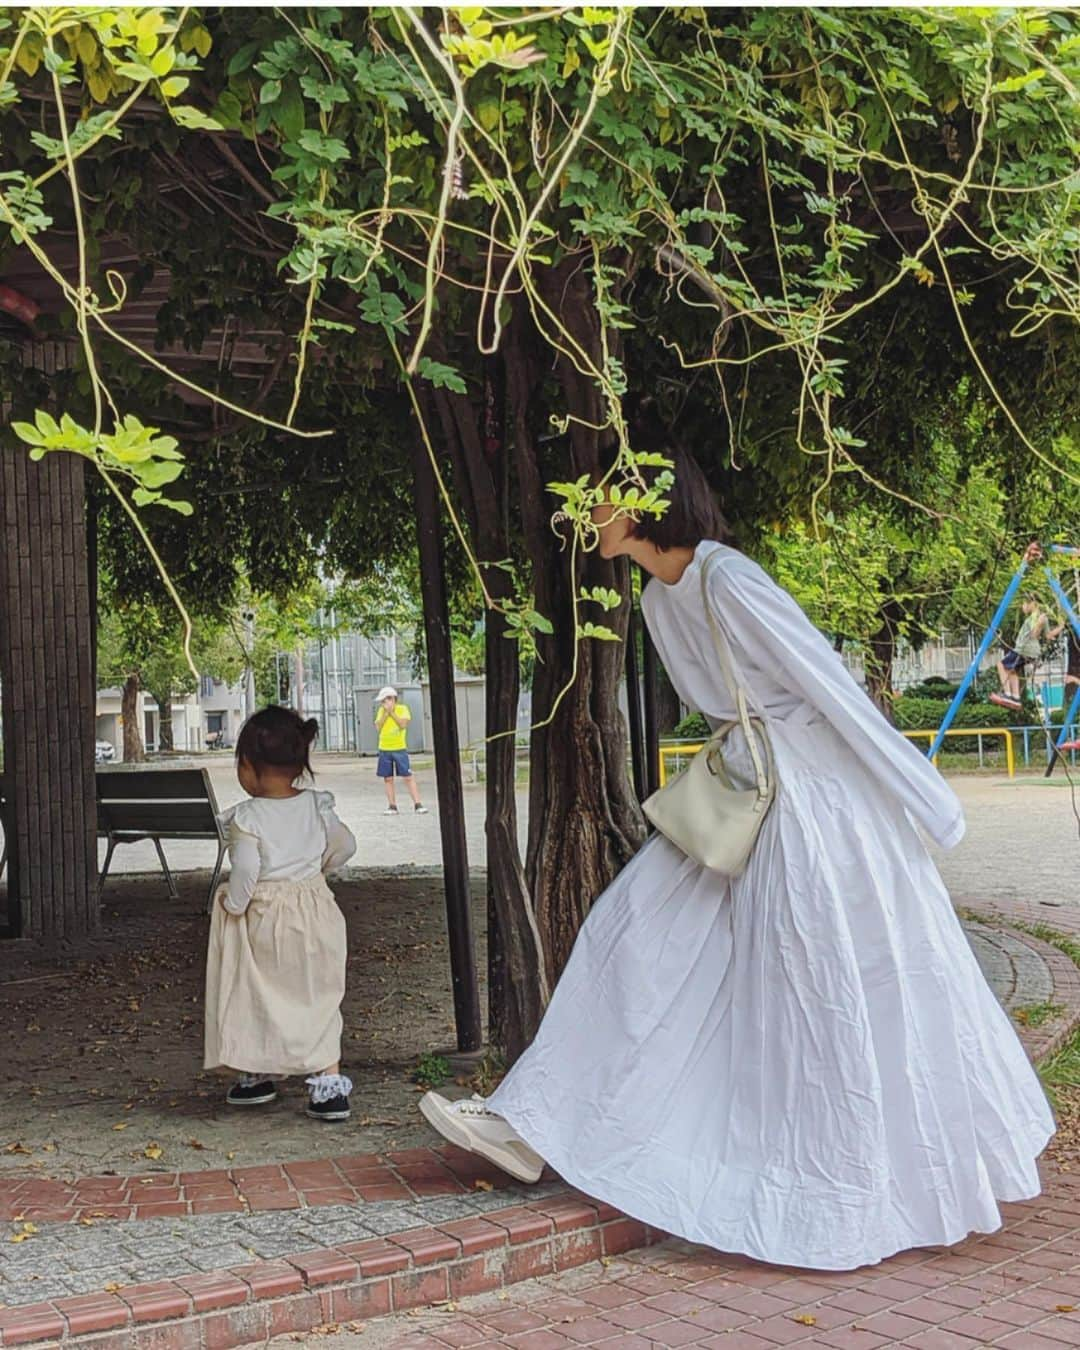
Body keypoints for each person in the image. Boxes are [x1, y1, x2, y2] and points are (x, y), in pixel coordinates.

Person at [419, 413, 1053, 1272]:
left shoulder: (727, 581)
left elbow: (826, 686)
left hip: (809, 806)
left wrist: (926, 802)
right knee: (629, 936)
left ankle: (843, 1180)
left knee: (812, 976)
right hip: (740, 794)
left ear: (643, 502)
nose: (587, 512)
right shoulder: (655, 597)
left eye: (601, 497)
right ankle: (537, 1122)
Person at [204, 706, 357, 1121]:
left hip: (268, 916)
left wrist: (233, 904)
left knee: (262, 991)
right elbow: (345, 846)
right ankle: (328, 1087)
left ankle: (257, 1073)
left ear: (248, 765)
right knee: (319, 994)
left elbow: (248, 870)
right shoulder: (316, 806)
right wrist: (314, 871)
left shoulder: (247, 817)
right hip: (317, 910)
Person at [991, 596, 1060, 710]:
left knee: (1000, 665)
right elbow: (1048, 636)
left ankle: (1007, 694)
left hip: (1024, 649)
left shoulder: (1036, 616)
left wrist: (1038, 623)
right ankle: (1016, 698)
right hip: (1032, 651)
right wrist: (1061, 627)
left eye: (1024, 604)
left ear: (1032, 603)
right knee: (1011, 671)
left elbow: (1034, 634)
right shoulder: (1042, 617)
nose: (1023, 607)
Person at [374, 686, 428, 816]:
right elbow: (378, 726)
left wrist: (392, 712)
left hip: (399, 748)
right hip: (384, 748)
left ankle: (417, 804)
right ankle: (392, 805)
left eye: (384, 701)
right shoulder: (381, 711)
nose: (383, 704)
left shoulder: (402, 709)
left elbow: (403, 724)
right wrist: (386, 713)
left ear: (392, 699)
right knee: (388, 778)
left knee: (408, 776)